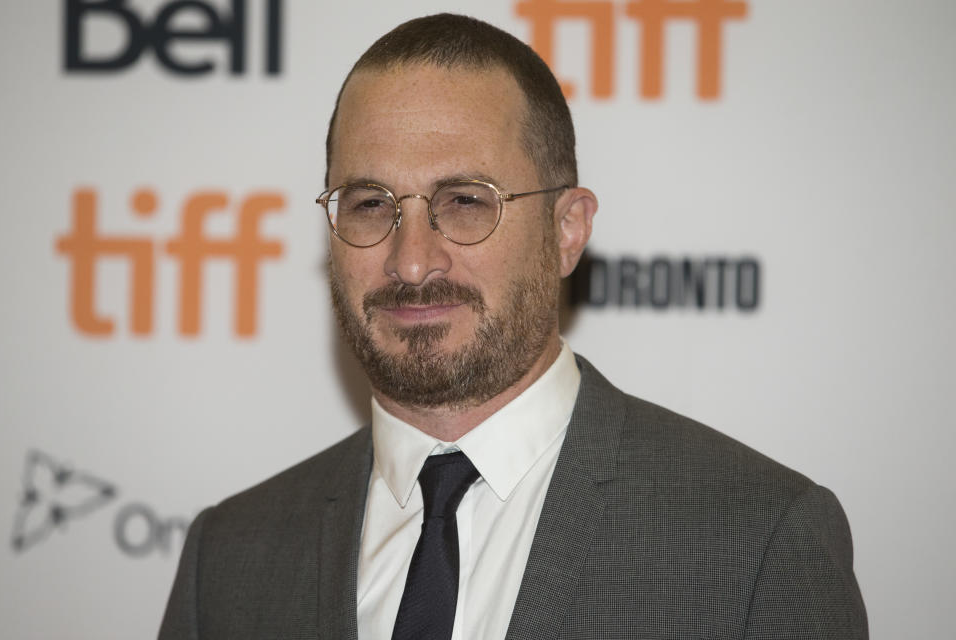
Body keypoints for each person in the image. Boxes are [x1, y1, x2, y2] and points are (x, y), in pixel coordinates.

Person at [159, 13, 867, 640]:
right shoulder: (229, 557)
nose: (410, 262)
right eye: (371, 204)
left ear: (567, 230)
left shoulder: (758, 539)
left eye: (466, 201)